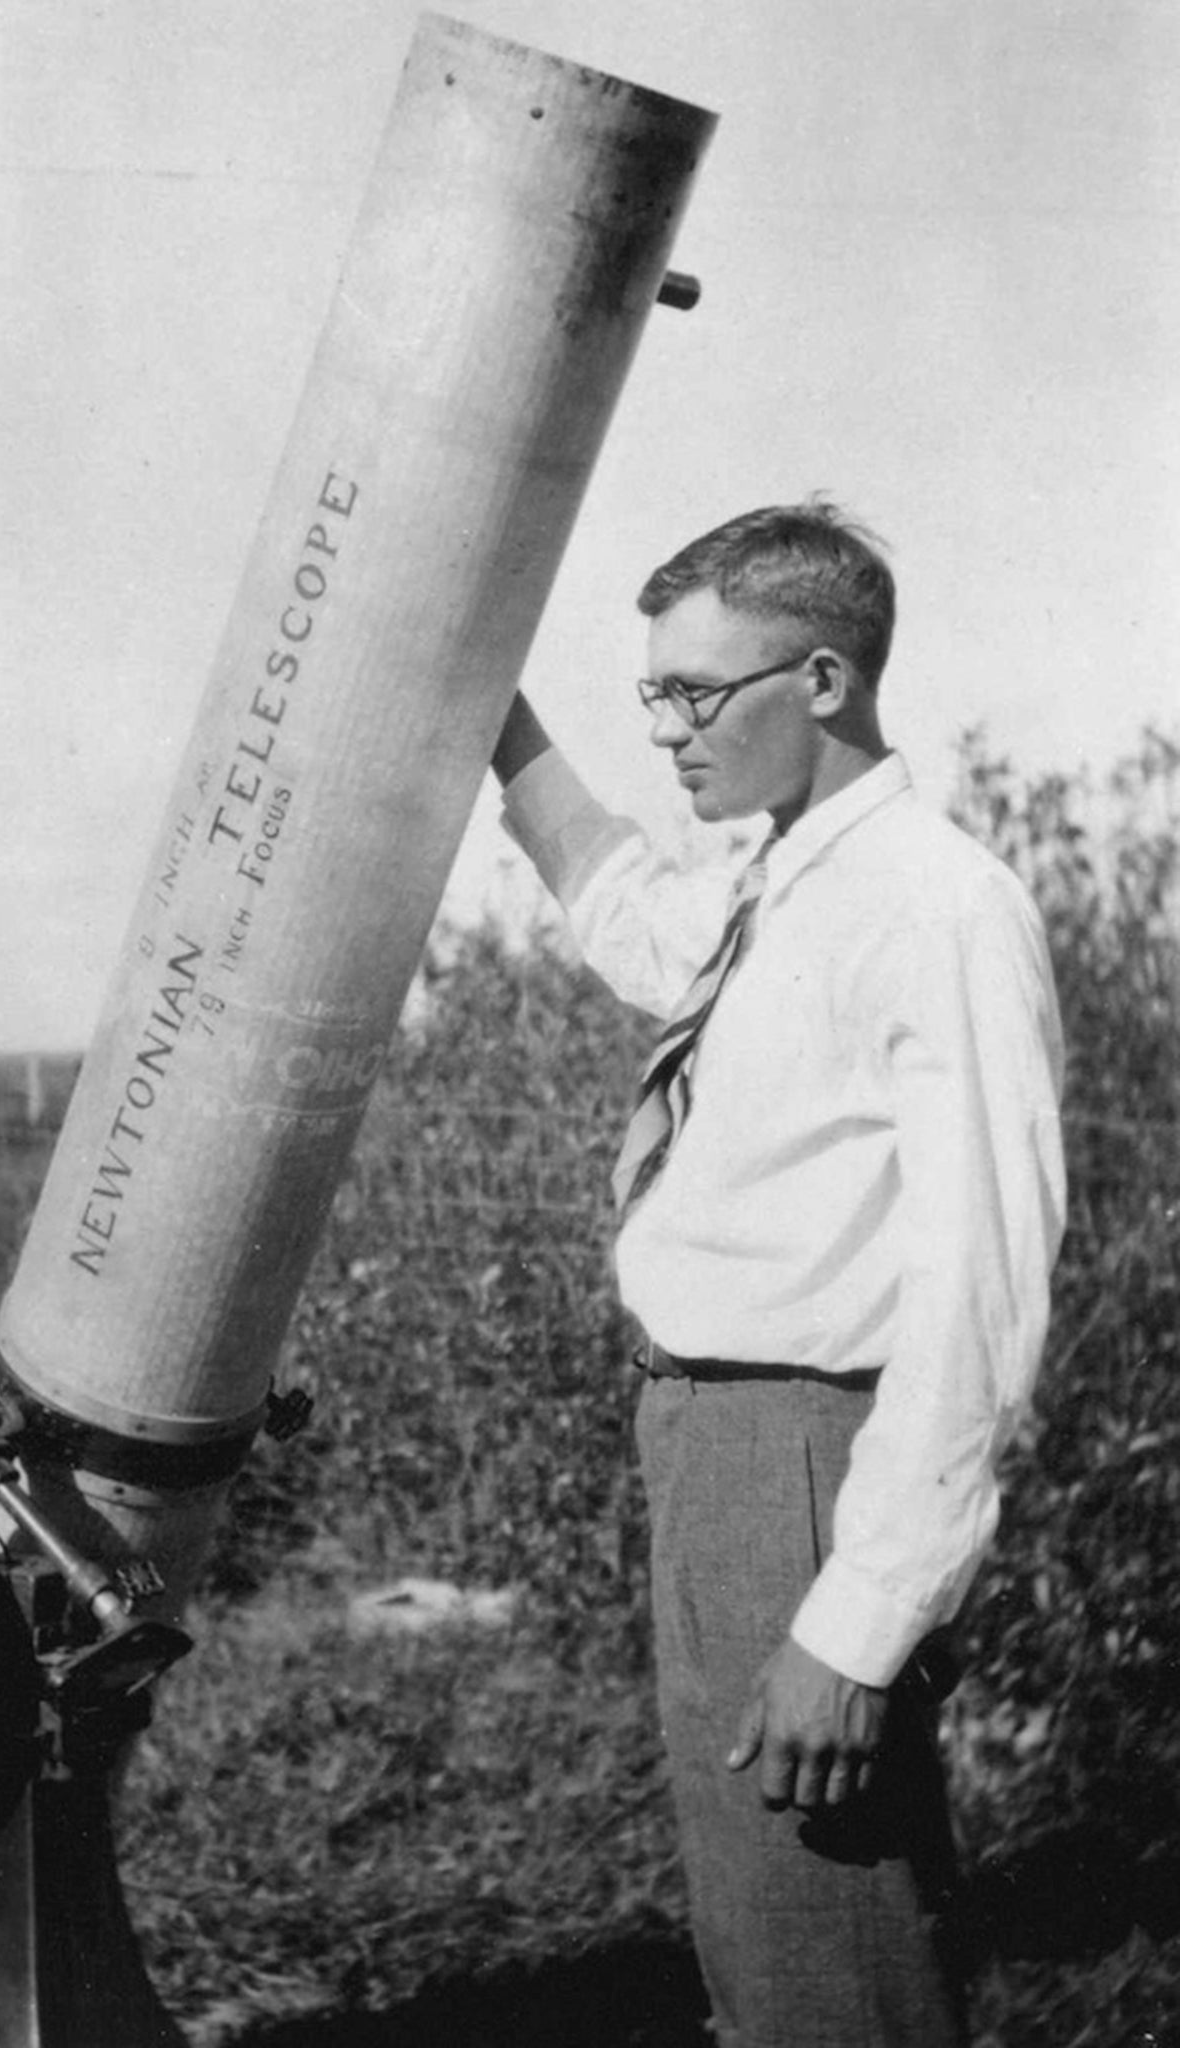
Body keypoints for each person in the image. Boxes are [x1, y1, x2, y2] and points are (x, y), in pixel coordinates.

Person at [491, 502, 1066, 2048]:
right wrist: (502, 726)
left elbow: (980, 1296)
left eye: (695, 693)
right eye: (653, 695)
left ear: (821, 680)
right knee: (768, 1938)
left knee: (830, 1960)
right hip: (712, 1442)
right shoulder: (785, 875)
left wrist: (856, 1625)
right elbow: (635, 922)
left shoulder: (939, 907)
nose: (665, 730)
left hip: (808, 1461)